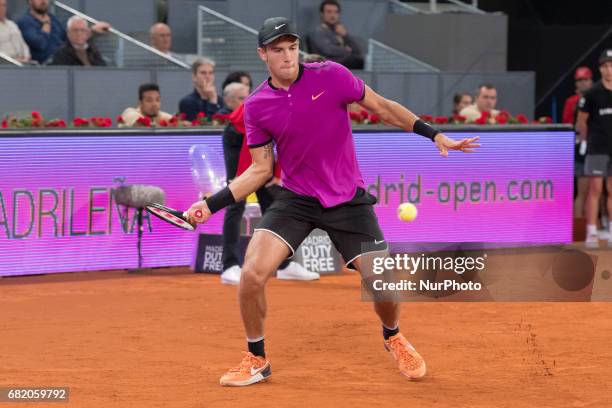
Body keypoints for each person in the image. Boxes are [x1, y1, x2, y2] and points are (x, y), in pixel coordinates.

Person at [184, 17, 479, 386]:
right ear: (263, 54)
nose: (288, 56)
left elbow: (383, 107)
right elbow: (260, 171)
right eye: (278, 50)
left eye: (292, 47)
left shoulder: (332, 75)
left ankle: (393, 336)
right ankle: (256, 357)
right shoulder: (258, 105)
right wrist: (211, 205)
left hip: (347, 198)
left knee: (383, 283)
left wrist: (432, 135)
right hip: (297, 199)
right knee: (251, 275)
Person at [219, 81, 319, 285]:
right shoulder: (284, 97)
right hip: (239, 137)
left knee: (273, 202)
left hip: (262, 140)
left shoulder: (309, 103)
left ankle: (283, 265)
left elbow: (290, 142)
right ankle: (229, 266)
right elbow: (253, 133)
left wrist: (277, 174)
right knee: (237, 198)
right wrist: (244, 176)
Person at [577, 49, 612, 246]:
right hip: (597, 147)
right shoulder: (592, 94)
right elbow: (582, 121)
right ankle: (591, 231)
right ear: (600, 69)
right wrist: (583, 140)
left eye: (611, 65)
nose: (608, 70)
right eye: (605, 66)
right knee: (595, 189)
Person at [18, 0, 109, 64]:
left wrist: (91, 30)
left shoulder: (52, 18)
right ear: (30, 1)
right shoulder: (25, 22)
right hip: (47, 64)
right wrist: (46, 24)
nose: (43, 1)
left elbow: (67, 37)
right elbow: (40, 44)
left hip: (65, 57)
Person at [562, 67, 593, 219]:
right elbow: (567, 124)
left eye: (585, 80)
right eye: (579, 80)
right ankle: (579, 231)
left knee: (597, 191)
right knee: (582, 190)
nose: (582, 83)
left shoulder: (597, 97)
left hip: (598, 148)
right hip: (580, 148)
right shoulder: (571, 102)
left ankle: (598, 225)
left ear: (591, 81)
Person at [308, 0, 364, 69]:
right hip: (325, 67)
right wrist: (346, 50)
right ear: (322, 14)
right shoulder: (319, 31)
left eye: (336, 12)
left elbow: (357, 50)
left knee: (359, 60)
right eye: (329, 12)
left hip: (340, 66)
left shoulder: (339, 31)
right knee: (354, 60)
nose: (333, 15)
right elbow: (328, 50)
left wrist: (345, 35)